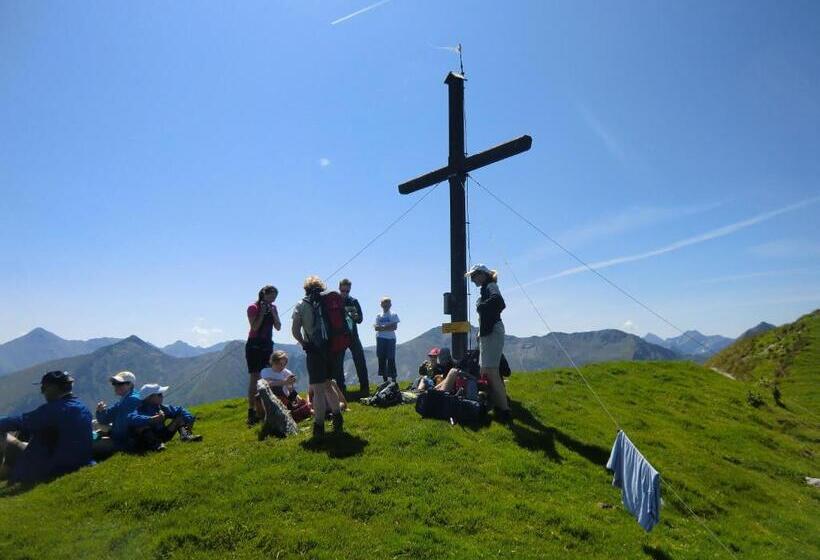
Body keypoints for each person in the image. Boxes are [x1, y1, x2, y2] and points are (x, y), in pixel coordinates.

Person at [0, 371, 93, 485]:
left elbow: (20, 422)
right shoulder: (82, 407)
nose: (42, 392)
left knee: (5, 437)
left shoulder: (53, 410)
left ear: (52, 388)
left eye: (43, 388)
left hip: (52, 467)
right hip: (78, 461)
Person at [292, 275, 344, 438]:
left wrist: (303, 343)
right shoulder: (328, 300)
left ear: (305, 289)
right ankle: (337, 418)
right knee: (329, 385)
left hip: (314, 351)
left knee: (319, 390)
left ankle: (319, 427)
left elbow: (295, 330)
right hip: (331, 348)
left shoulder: (301, 304)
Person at [467, 264, 510, 421]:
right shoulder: (486, 288)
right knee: (485, 371)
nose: (472, 279)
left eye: (473, 276)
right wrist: (481, 331)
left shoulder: (490, 286)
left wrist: (480, 307)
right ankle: (495, 404)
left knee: (491, 372)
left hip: (493, 332)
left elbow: (499, 302)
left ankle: (504, 411)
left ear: (482, 275)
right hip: (488, 332)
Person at [246, 285, 282, 426]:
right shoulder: (253, 307)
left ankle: (266, 408)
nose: (272, 299)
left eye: (274, 297)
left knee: (266, 375)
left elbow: (278, 327)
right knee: (255, 376)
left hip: (267, 344)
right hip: (254, 344)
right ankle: (251, 410)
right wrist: (262, 312)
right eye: (270, 296)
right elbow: (254, 327)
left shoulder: (273, 307)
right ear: (263, 294)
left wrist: (272, 312)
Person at [132, 384, 202, 451]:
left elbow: (179, 410)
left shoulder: (162, 408)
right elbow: (134, 419)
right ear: (149, 397)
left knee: (179, 418)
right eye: (159, 395)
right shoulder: (139, 409)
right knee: (140, 426)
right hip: (147, 439)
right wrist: (152, 419)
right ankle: (155, 444)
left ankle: (186, 435)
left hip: (163, 434)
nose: (162, 396)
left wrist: (188, 418)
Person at [95, 371, 143, 453]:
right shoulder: (124, 399)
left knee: (89, 442)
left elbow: (122, 429)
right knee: (94, 424)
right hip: (123, 438)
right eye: (114, 383)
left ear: (130, 385)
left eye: (120, 383)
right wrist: (100, 411)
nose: (116, 386)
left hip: (125, 443)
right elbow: (104, 419)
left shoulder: (131, 400)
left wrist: (108, 436)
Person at [339, 278, 369, 394]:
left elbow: (360, 319)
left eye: (347, 291)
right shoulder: (335, 301)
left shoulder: (354, 301)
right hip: (340, 337)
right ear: (339, 288)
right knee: (339, 362)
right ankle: (341, 389)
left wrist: (355, 316)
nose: (344, 293)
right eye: (343, 290)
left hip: (353, 336)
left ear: (350, 290)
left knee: (360, 360)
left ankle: (364, 387)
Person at [374, 296, 400, 383]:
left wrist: (383, 327)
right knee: (381, 358)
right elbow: (376, 328)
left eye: (387, 304)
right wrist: (388, 326)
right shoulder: (378, 315)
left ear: (390, 305)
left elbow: (394, 327)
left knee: (391, 358)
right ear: (381, 304)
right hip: (380, 338)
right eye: (384, 304)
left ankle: (393, 378)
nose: (386, 306)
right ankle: (385, 380)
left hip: (390, 339)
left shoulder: (393, 314)